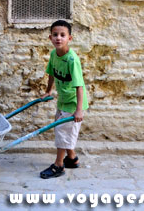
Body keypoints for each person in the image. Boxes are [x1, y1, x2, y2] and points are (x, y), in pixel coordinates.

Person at [39, 20, 88, 179]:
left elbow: (79, 86)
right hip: (63, 100)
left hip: (74, 103)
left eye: (62, 35)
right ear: (50, 37)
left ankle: (59, 165)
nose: (58, 38)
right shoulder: (54, 54)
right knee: (63, 131)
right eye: (55, 35)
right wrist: (48, 91)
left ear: (69, 38)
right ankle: (72, 159)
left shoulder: (72, 60)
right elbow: (51, 73)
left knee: (62, 131)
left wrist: (79, 110)